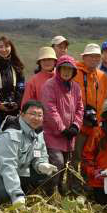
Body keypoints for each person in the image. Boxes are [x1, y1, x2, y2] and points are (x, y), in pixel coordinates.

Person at [0, 100, 58, 206]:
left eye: (40, 115)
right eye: (32, 114)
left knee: (47, 174)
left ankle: (17, 190)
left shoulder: (38, 133)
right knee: (3, 194)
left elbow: (40, 154)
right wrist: (16, 195)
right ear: (22, 114)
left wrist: (41, 164)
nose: (36, 118)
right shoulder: (11, 134)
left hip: (17, 170)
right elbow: (8, 166)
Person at [41, 55, 84, 195]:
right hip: (53, 134)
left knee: (65, 165)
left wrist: (76, 126)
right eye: (64, 68)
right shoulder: (50, 85)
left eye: (70, 69)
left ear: (74, 72)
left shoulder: (76, 88)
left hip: (69, 135)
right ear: (58, 69)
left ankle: (59, 188)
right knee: (57, 162)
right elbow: (49, 109)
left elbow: (80, 108)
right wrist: (62, 128)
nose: (66, 72)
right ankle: (49, 191)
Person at [72, 43, 107, 193]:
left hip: (96, 126)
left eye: (97, 56)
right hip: (79, 124)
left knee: (91, 159)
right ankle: (74, 188)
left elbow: (105, 99)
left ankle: (89, 187)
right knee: (75, 159)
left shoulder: (103, 77)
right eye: (91, 56)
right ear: (84, 57)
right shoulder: (74, 72)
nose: (94, 59)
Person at [0, 36, 26, 129]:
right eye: (0, 47)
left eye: (7, 46)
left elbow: (21, 86)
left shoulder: (17, 66)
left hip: (15, 110)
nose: (4, 49)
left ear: (11, 48)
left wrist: (18, 102)